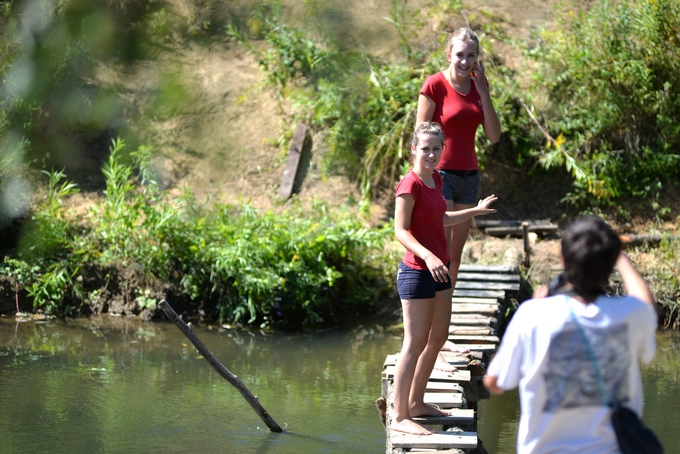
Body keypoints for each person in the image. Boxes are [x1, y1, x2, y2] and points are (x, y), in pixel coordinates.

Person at [483, 216, 657, 453]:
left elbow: (494, 382)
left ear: (563, 260)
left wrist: (530, 311)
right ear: (610, 265)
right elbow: (645, 305)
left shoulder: (533, 314)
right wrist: (621, 259)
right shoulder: (628, 314)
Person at [392, 122, 498, 435]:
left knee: (438, 337)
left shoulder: (437, 178)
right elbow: (400, 230)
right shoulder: (409, 184)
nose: (431, 154)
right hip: (417, 271)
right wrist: (427, 255)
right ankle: (400, 416)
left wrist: (474, 211)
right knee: (415, 343)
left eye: (436, 148)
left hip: (440, 268)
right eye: (425, 148)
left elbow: (441, 217)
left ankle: (417, 403)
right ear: (414, 149)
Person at [416, 27, 501, 301]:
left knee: (454, 257)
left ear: (477, 58)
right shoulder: (434, 84)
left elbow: (494, 135)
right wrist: (419, 178)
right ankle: (429, 318)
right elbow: (420, 134)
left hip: (469, 177)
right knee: (439, 252)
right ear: (449, 54)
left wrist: (484, 92)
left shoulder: (479, 87)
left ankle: (444, 323)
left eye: (471, 56)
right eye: (460, 54)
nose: (465, 61)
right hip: (439, 175)